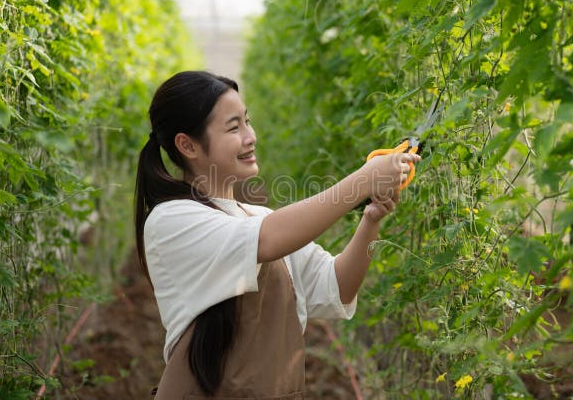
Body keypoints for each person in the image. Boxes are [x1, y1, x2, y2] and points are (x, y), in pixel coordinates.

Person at [134, 71, 420, 399]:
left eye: (247, 121)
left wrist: (371, 219)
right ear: (187, 145)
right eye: (233, 127)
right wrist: (361, 182)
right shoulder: (172, 221)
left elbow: (337, 286)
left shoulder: (256, 217)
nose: (250, 136)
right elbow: (267, 241)